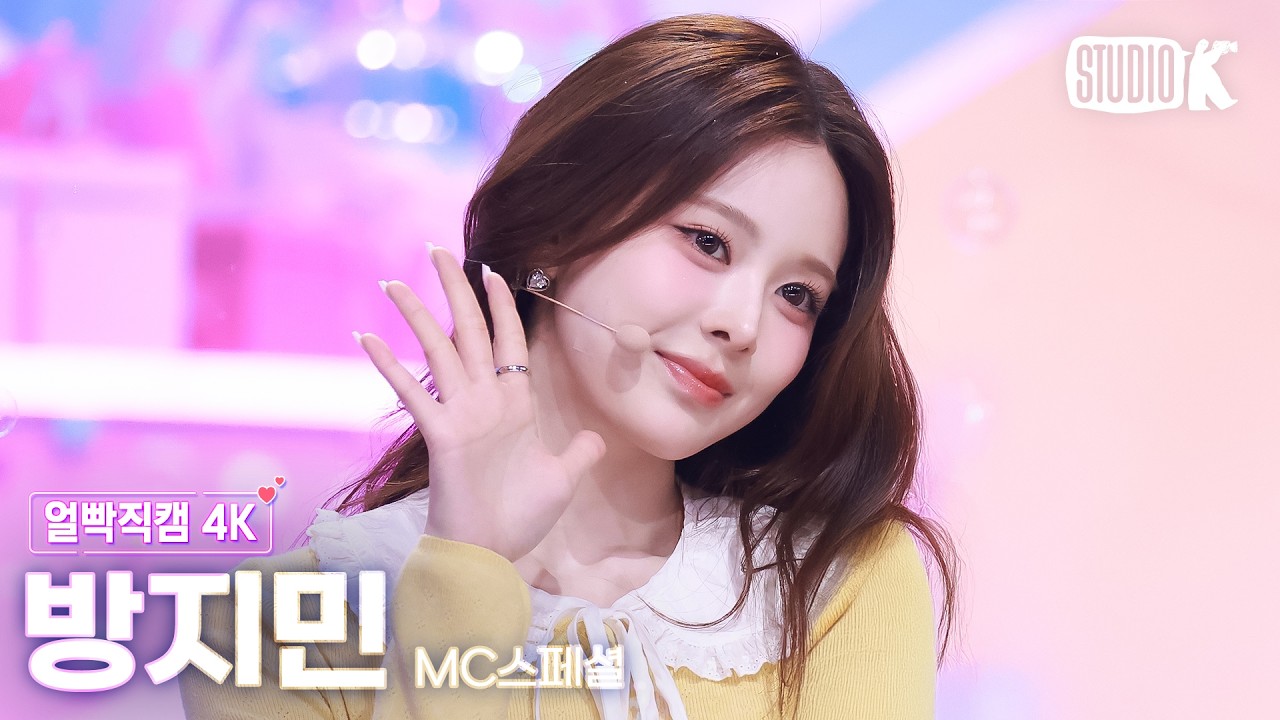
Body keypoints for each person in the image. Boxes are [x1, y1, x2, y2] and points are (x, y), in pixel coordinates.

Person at [179, 13, 958, 720]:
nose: (743, 324)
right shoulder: (274, 625)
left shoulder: (836, 583)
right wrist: (467, 574)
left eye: (797, 295)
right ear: (558, 230)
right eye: (708, 242)